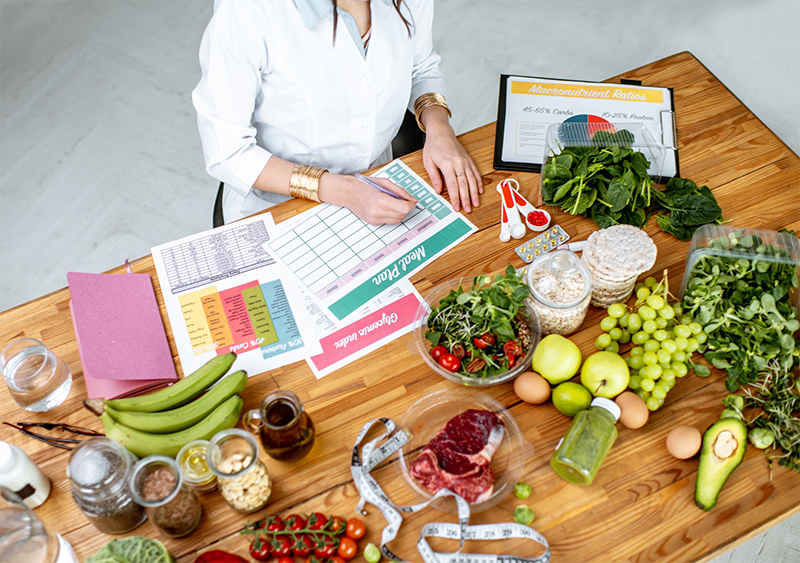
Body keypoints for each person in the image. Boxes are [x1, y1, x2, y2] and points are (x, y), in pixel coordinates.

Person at [192, 0, 483, 225]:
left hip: (378, 185)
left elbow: (421, 66)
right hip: (278, 205)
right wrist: (341, 190)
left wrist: (439, 127)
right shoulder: (247, 11)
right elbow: (228, 151)